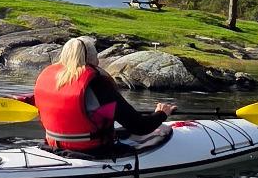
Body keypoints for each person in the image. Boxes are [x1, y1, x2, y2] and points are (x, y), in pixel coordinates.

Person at [31, 36, 175, 156]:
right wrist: (161, 114)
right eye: (97, 57)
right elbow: (139, 127)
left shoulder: (49, 79)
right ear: (92, 59)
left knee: (117, 130)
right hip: (91, 149)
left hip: (54, 145)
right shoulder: (98, 84)